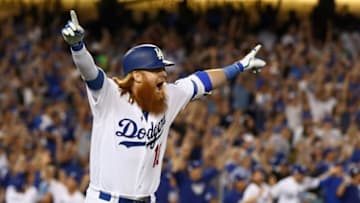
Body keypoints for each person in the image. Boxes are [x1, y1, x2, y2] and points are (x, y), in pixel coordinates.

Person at [61, 10, 265, 203]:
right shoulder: (109, 94)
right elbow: (90, 72)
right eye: (156, 69)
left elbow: (202, 80)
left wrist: (239, 66)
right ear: (137, 75)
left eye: (163, 68)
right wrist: (78, 47)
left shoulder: (169, 96)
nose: (163, 74)